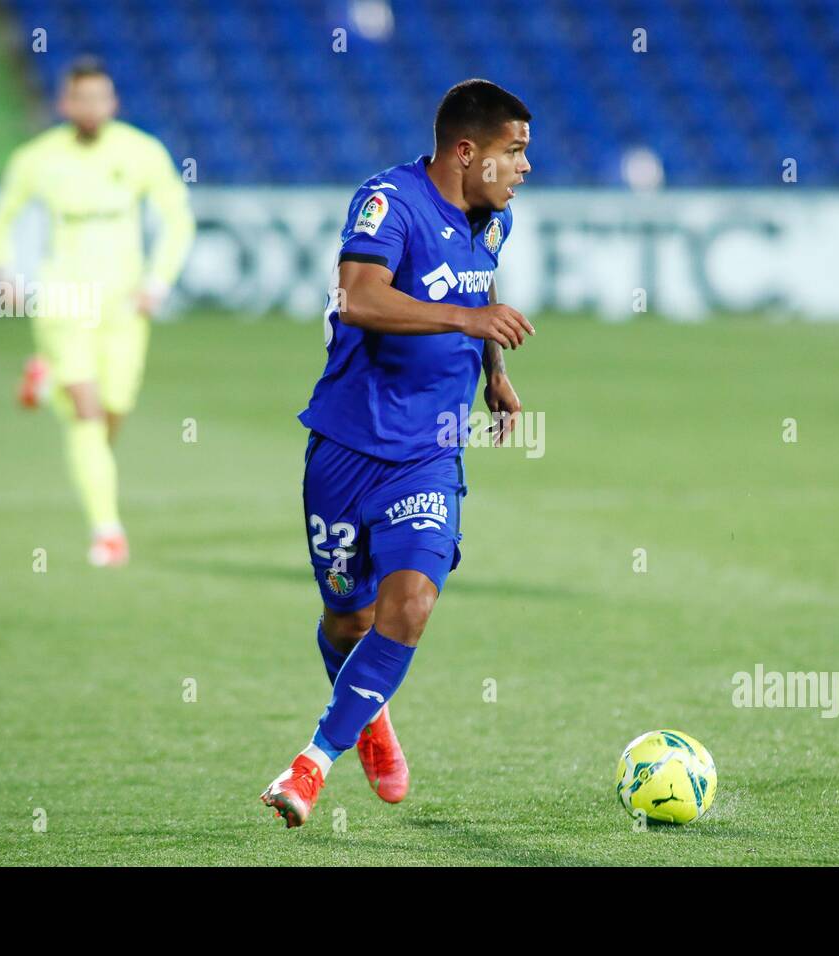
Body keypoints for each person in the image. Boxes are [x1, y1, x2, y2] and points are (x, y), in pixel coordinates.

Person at [260, 79, 536, 827]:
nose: (523, 168)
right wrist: (468, 320)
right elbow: (358, 296)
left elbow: (479, 291)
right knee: (348, 622)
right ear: (465, 150)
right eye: (514, 153)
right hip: (348, 445)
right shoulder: (389, 201)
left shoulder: (494, 221)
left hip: (429, 453)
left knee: (409, 603)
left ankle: (312, 764)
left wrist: (495, 373)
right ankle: (367, 716)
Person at [0, 57, 195, 563]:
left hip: (124, 303)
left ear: (113, 103)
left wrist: (159, 281)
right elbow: (1, 219)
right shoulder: (36, 158)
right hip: (63, 298)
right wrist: (6, 273)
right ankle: (107, 530)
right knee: (87, 412)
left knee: (113, 413)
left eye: (99, 98)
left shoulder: (141, 152)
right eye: (80, 98)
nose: (90, 107)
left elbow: (177, 218)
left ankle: (43, 376)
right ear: (64, 104)